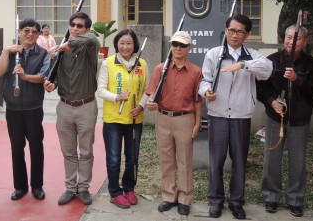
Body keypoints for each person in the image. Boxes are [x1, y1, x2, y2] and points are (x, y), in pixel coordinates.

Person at [199, 14, 273, 219]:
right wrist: (206, 92)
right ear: (225, 31)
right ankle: (215, 200)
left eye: (240, 31)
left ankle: (236, 202)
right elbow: (204, 80)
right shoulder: (214, 54)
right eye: (231, 30)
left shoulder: (252, 55)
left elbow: (267, 70)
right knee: (217, 160)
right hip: (218, 115)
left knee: (239, 160)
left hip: (241, 116)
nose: (234, 35)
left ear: (247, 35)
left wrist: (243, 65)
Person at [256, 25, 313, 217]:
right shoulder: (271, 61)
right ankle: (271, 196)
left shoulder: (312, 65)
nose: (291, 42)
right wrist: (271, 102)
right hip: (274, 118)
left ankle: (295, 198)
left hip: (300, 119)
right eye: (288, 37)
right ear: (284, 38)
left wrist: (297, 79)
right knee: (272, 158)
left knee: (298, 160)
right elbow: (261, 87)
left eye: (297, 39)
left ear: (304, 41)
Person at [43, 12, 100, 206]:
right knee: (68, 151)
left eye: (80, 26)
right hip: (64, 106)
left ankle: (83, 188)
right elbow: (55, 79)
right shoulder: (60, 53)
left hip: (86, 106)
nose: (75, 28)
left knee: (85, 151)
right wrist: (51, 85)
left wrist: (69, 44)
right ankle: (70, 187)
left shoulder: (90, 46)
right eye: (72, 25)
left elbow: (92, 38)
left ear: (86, 29)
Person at [145, 31, 202, 216]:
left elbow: (197, 100)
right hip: (163, 118)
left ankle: (185, 198)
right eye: (175, 44)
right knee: (166, 159)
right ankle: (169, 196)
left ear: (189, 48)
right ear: (170, 46)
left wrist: (197, 122)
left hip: (185, 119)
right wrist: (150, 103)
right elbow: (151, 94)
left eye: (182, 45)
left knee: (184, 160)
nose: (178, 48)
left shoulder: (195, 71)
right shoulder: (160, 69)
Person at [0, 18, 50, 201]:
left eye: (34, 32)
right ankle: (20, 186)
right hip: (13, 109)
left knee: (36, 147)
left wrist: (25, 76)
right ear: (19, 32)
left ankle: (37, 186)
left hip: (34, 107)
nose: (30, 35)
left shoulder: (43, 54)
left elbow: (43, 77)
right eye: (26, 31)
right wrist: (6, 52)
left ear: (38, 34)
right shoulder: (11, 52)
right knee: (16, 148)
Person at [96, 29, 149, 209]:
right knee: (113, 158)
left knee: (132, 157)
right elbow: (100, 89)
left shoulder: (142, 64)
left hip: (135, 119)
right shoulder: (108, 63)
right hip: (113, 120)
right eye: (122, 43)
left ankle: (129, 188)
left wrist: (141, 105)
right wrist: (117, 97)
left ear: (134, 45)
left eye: (129, 43)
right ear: (116, 44)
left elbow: (148, 90)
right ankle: (115, 192)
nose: (125, 47)